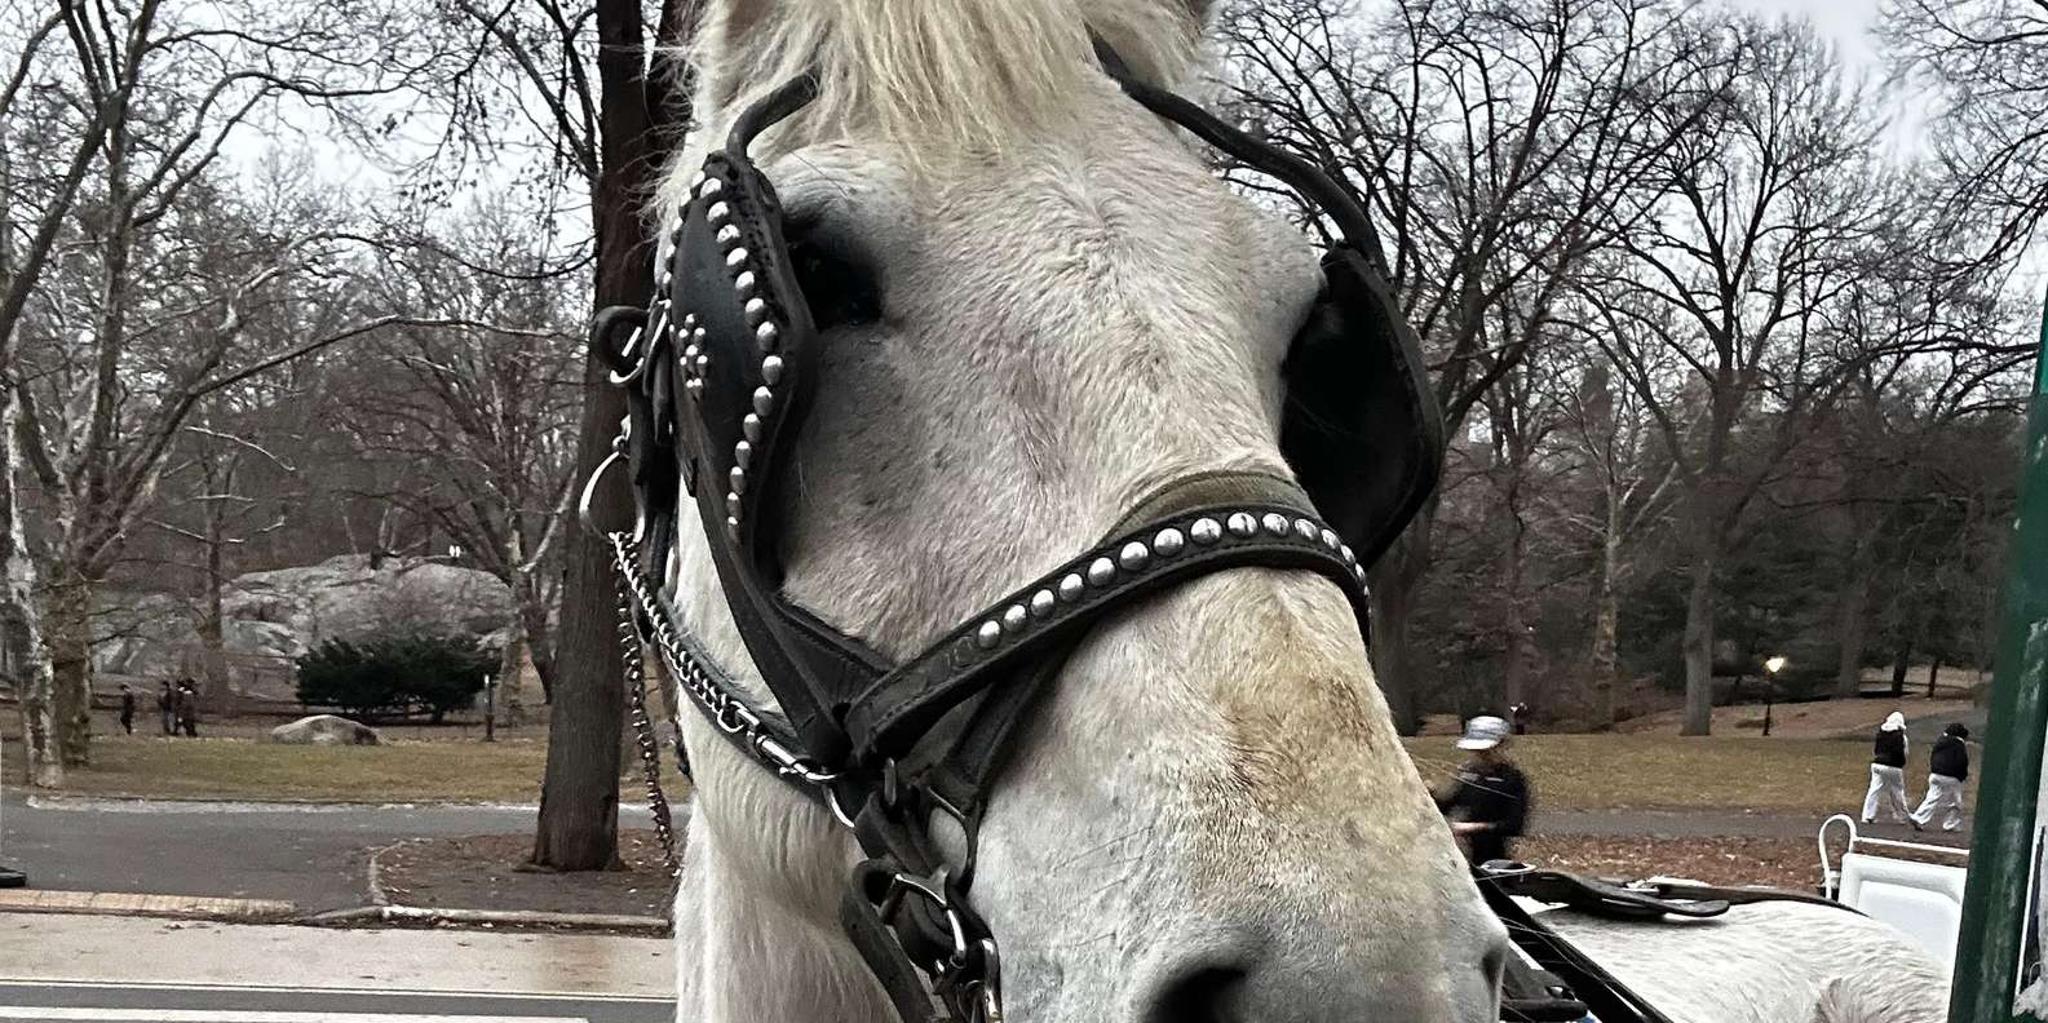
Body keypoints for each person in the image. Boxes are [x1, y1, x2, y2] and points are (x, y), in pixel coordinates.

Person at [1434, 715, 1530, 866]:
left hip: (1496, 858)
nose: (1481, 756)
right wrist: (1430, 795)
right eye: (1477, 751)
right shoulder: (1470, 774)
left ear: (1502, 746)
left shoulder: (1512, 779)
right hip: (1466, 856)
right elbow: (1448, 805)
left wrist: (1472, 827)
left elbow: (1513, 825)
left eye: (1486, 751)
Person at [1909, 723, 1971, 832]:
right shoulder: (1958, 744)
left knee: (1932, 798)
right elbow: (1962, 761)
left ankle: (1919, 818)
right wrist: (1962, 776)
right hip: (1952, 776)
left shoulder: (1940, 742)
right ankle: (1950, 824)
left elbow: (1933, 757)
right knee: (1955, 801)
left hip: (1935, 774)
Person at [1862, 710, 1911, 825]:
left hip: (1877, 764)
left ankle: (1867, 815)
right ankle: (1902, 816)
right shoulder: (1901, 737)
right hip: (1894, 766)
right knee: (1897, 791)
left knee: (1874, 790)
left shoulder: (1880, 734)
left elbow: (1876, 750)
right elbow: (1905, 753)